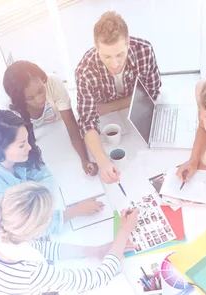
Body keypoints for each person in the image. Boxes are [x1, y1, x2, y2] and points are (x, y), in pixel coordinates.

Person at [0, 182, 139, 294]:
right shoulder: (32, 273)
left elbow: (40, 248)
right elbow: (96, 278)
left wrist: (93, 251)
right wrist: (123, 232)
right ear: (38, 229)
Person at [0, 110, 103, 244]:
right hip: (5, 240)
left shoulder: (7, 158)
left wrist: (41, 202)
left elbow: (43, 174)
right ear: (0, 148)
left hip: (29, 217)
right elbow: (32, 230)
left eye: (26, 141)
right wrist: (75, 211)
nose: (29, 147)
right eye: (22, 145)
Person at [76, 11, 162, 184]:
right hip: (110, 120)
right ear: (96, 46)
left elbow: (152, 92)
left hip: (136, 112)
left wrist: (111, 106)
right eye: (106, 56)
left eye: (120, 54)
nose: (114, 64)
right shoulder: (84, 70)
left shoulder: (144, 50)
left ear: (128, 42)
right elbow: (87, 121)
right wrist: (103, 160)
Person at [3, 60, 98, 176]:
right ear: (19, 98)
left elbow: (72, 127)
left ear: (43, 80)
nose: (39, 100)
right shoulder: (8, 108)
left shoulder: (53, 83)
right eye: (30, 98)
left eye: (41, 91)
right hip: (35, 143)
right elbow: (15, 147)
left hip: (59, 130)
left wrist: (84, 159)